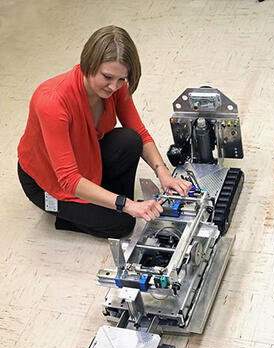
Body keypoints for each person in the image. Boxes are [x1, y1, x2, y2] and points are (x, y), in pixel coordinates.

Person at [17, 25, 191, 238]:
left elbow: (140, 132)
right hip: (48, 182)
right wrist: (127, 205)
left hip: (86, 157)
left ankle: (105, 200)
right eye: (107, 77)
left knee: (130, 140)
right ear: (88, 63)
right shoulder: (52, 102)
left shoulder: (116, 87)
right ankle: (66, 214)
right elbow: (69, 180)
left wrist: (163, 172)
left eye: (121, 79)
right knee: (123, 224)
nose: (113, 87)